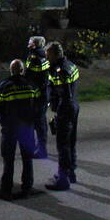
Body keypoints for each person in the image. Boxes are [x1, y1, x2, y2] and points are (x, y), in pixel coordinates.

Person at [0, 59, 40, 200]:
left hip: (10, 128)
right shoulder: (31, 85)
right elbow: (38, 102)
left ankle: (6, 190)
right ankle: (27, 188)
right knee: (27, 158)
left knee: (8, 159)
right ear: (22, 70)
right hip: (27, 127)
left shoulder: (5, 85)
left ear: (11, 70)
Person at [45, 41, 79, 190]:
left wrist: (57, 109)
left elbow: (63, 92)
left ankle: (63, 179)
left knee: (62, 144)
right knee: (71, 142)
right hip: (74, 106)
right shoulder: (71, 65)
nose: (47, 58)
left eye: (48, 55)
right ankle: (71, 173)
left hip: (65, 107)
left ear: (54, 54)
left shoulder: (59, 71)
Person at [24, 35, 50, 159]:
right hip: (43, 93)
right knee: (41, 121)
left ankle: (41, 150)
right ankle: (40, 147)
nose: (28, 43)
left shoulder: (35, 57)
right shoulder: (43, 55)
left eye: (30, 42)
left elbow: (31, 76)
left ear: (34, 44)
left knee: (38, 122)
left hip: (38, 95)